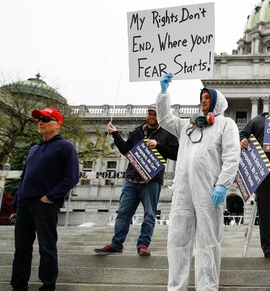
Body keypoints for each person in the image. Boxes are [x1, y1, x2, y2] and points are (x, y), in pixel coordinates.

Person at [156, 73, 241, 291]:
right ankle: (176, 286)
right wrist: (164, 93)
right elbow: (165, 119)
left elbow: (232, 155)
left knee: (208, 242)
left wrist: (223, 184)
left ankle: (207, 287)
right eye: (201, 97)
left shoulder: (226, 124)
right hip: (183, 189)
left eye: (207, 97)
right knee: (177, 240)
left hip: (209, 189)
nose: (203, 100)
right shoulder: (188, 125)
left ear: (216, 101)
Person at [10, 107, 80, 291]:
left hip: (45, 205)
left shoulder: (66, 147)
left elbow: (72, 177)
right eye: (39, 119)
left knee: (47, 248)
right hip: (25, 205)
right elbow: (25, 177)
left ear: (58, 124)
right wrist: (15, 206)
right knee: (21, 249)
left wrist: (50, 197)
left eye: (46, 119)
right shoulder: (34, 148)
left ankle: (48, 286)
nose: (40, 122)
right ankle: (18, 285)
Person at [94, 105, 178, 256]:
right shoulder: (138, 131)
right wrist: (115, 134)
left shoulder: (167, 133)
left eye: (155, 115)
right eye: (150, 114)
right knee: (123, 213)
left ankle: (143, 245)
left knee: (149, 214)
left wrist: (157, 145)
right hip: (131, 180)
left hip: (151, 181)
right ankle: (116, 244)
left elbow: (176, 153)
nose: (151, 117)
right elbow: (126, 150)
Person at [240, 90, 270, 258]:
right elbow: (242, 135)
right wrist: (243, 141)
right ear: (269, 104)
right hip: (265, 173)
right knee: (266, 210)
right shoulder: (257, 121)